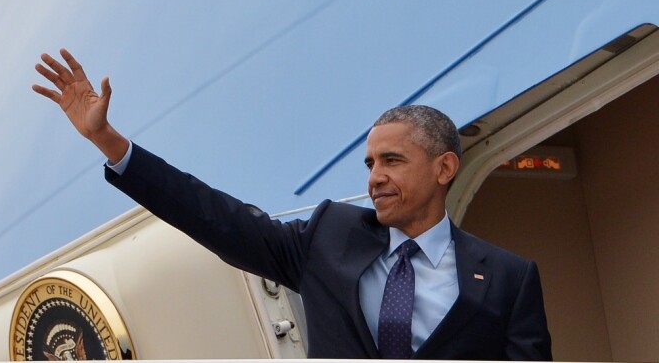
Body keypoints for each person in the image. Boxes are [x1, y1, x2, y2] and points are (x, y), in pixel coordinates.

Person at [33, 49, 552, 360]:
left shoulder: (509, 278)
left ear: (444, 169)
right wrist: (110, 144)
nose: (375, 178)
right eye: (369, 165)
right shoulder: (332, 234)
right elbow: (216, 217)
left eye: (391, 161)